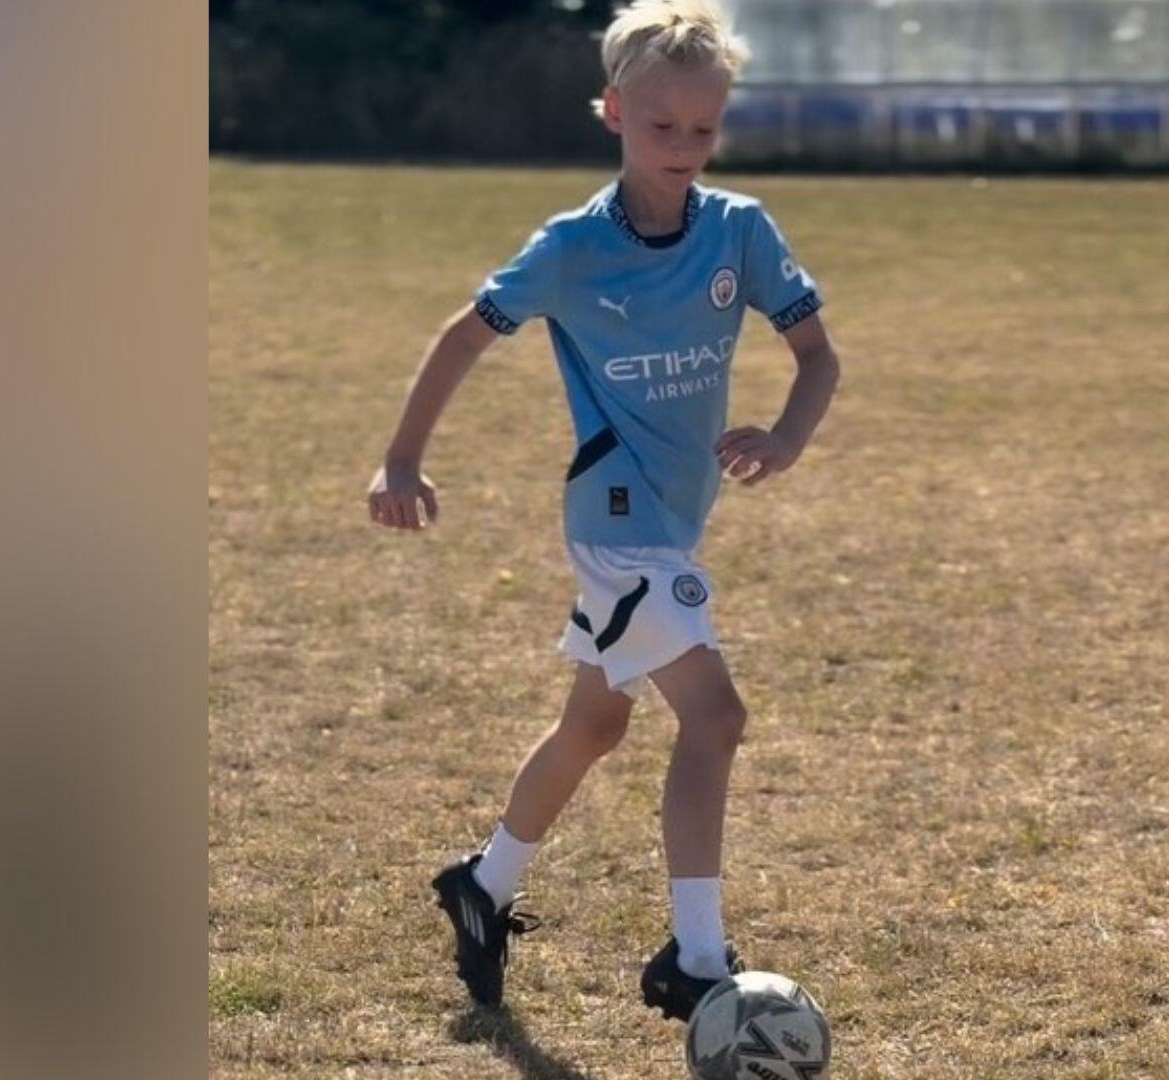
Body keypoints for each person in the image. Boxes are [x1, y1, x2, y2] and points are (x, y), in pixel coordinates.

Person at [365, 0, 842, 1022]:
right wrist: (402, 459)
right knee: (715, 717)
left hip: (671, 523)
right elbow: (464, 335)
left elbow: (817, 357)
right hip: (614, 520)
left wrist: (786, 437)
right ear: (613, 112)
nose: (685, 149)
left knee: (594, 724)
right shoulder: (572, 248)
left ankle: (483, 888)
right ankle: (700, 964)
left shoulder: (740, 231)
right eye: (663, 127)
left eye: (704, 130)